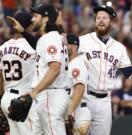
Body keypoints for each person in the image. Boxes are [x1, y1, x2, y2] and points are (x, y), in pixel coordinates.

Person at [78, 5, 132, 135]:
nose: (101, 20)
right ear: (95, 21)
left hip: (105, 101)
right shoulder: (82, 41)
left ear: (112, 22)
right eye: (98, 18)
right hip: (85, 97)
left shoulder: (119, 48)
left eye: (105, 18)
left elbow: (129, 73)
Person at [29, 3, 69, 135]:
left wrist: (34, 92)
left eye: (35, 16)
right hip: (50, 95)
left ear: (45, 19)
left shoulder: (50, 38)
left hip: (50, 95)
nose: (32, 19)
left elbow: (55, 68)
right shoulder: (55, 37)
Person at [0, 12, 36, 135]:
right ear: (28, 27)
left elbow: (0, 77)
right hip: (23, 99)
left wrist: (1, 98)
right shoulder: (32, 47)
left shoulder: (2, 47)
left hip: (6, 97)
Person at [66, 33, 91, 135]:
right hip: (72, 110)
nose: (62, 48)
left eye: (65, 44)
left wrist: (69, 113)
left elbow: (79, 89)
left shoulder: (77, 63)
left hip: (78, 111)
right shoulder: (69, 64)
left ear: (74, 46)